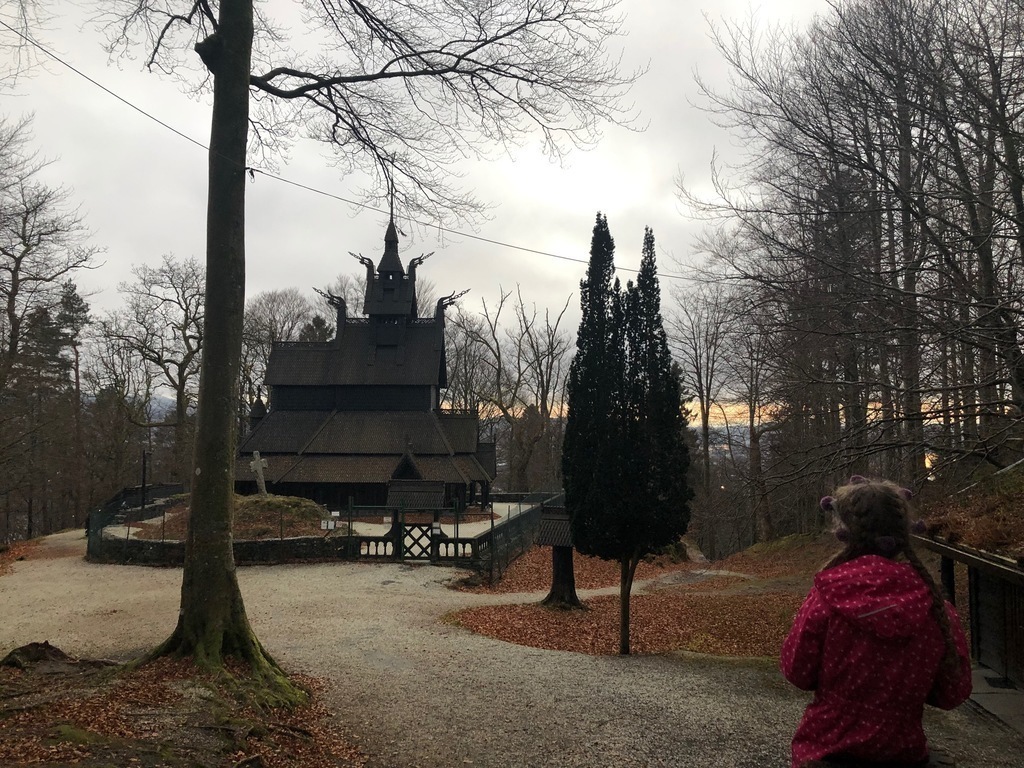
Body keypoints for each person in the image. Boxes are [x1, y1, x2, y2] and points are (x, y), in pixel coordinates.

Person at [780, 477, 972, 768]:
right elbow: (953, 692)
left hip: (826, 749)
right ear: (905, 532)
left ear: (844, 532)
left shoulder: (828, 596)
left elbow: (797, 671)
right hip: (903, 753)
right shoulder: (934, 607)